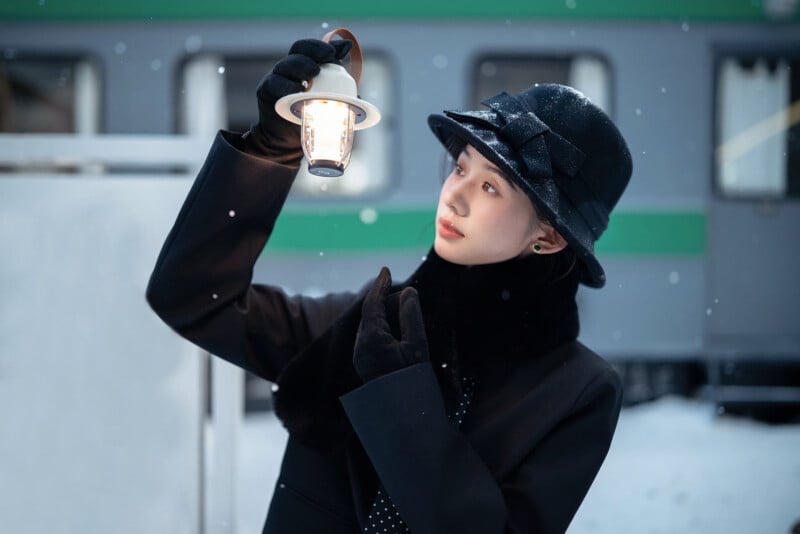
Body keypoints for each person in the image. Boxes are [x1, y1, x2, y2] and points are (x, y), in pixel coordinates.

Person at [146, 37, 632, 534]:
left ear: (548, 238)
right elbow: (190, 295)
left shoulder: (579, 391)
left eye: (490, 186)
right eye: (461, 167)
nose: (455, 197)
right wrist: (270, 149)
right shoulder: (375, 322)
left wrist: (402, 398)